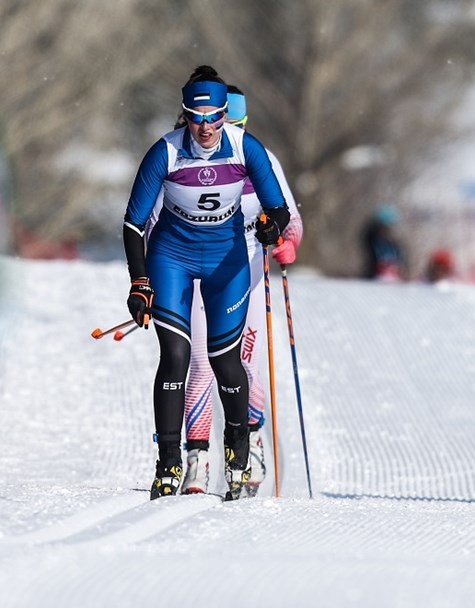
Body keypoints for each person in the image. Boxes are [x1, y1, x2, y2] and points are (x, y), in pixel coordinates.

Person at [123, 65, 290, 500]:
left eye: (215, 117)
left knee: (225, 361)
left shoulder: (245, 147)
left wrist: (273, 227)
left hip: (227, 260)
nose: (207, 127)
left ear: (224, 115)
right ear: (185, 116)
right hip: (172, 256)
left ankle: (238, 454)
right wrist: (139, 282)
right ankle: (169, 463)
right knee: (177, 355)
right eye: (198, 118)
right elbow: (133, 223)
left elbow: (280, 208)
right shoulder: (165, 152)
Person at [177, 85, 303, 497]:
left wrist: (286, 241)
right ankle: (197, 459)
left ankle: (252, 443)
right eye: (216, 123)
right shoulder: (181, 156)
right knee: (199, 362)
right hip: (195, 274)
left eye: (235, 125)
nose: (222, 134)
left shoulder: (259, 157)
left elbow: (291, 221)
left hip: (242, 277)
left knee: (239, 363)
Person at [361, 204, 405, 281]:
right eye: (385, 227)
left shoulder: (395, 246)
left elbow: (400, 263)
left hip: (393, 281)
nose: (387, 230)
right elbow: (366, 236)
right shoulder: (373, 242)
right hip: (375, 280)